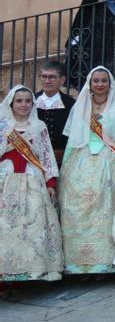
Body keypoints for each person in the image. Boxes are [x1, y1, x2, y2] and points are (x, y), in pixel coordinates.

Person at [59, 66, 115, 274]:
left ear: (110, 84)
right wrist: (64, 168)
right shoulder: (81, 107)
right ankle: (80, 264)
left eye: (104, 81)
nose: (100, 84)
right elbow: (73, 140)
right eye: (96, 81)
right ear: (90, 85)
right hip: (81, 161)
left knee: (110, 211)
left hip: (111, 161)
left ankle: (110, 262)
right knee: (78, 210)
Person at [0, 85, 64, 283]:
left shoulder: (39, 126)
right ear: (11, 103)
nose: (23, 105)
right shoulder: (2, 126)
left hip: (33, 178)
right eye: (19, 101)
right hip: (6, 178)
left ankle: (34, 268)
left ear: (32, 103)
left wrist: (50, 183)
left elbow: (46, 156)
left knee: (34, 223)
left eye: (28, 101)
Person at [35, 60, 75, 167]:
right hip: (34, 160)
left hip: (62, 162)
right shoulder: (31, 101)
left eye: (52, 77)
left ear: (62, 80)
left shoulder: (71, 104)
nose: (47, 81)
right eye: (44, 76)